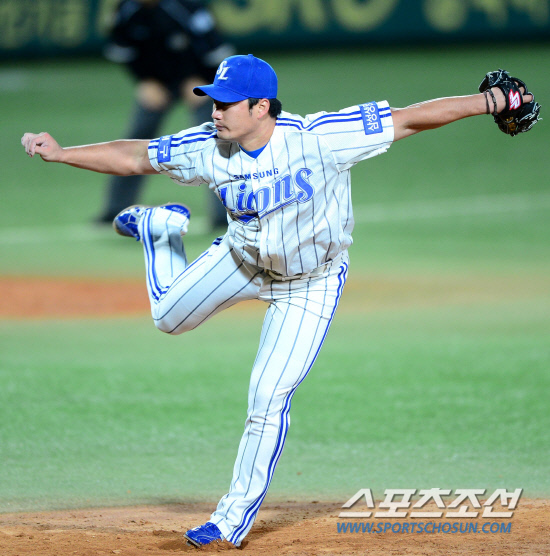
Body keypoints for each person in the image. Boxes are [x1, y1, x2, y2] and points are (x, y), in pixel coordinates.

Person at [22, 54, 537, 548]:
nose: (214, 111)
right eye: (214, 101)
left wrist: (490, 101)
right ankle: (159, 232)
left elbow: (409, 119)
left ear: (261, 107)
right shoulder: (206, 146)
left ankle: (229, 522)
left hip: (310, 284)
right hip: (241, 260)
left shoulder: (320, 138)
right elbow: (136, 155)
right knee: (167, 319)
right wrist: (63, 153)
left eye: (226, 103)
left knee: (267, 397)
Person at [96, 0, 234, 229]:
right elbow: (122, 50)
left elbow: (218, 52)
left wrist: (204, 81)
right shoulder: (127, 9)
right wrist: (144, 80)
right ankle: (116, 208)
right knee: (135, 142)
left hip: (199, 81)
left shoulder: (188, 7)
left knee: (217, 142)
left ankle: (228, 213)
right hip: (157, 83)